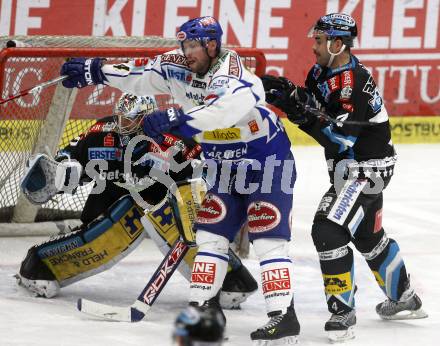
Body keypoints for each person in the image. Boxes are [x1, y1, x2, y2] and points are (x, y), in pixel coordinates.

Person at [60, 16, 300, 345]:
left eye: (192, 46)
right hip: (223, 166)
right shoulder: (177, 65)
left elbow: (223, 113)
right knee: (211, 236)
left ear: (212, 45)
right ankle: (205, 311)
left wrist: (178, 118)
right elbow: (141, 74)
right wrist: (96, 71)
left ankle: (283, 317)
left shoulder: (237, 76)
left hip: (265, 162)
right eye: (183, 45)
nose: (186, 52)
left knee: (268, 238)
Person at [261, 12, 427, 343]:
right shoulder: (321, 71)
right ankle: (405, 298)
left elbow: (340, 138)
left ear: (338, 44)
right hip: (349, 168)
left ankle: (342, 312)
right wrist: (290, 92)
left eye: (320, 41)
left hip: (368, 168)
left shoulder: (356, 83)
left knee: (328, 228)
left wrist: (295, 110)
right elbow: (316, 107)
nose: (314, 47)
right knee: (367, 236)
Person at [16, 92, 258, 310]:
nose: (122, 124)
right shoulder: (103, 130)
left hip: (161, 198)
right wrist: (67, 169)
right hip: (113, 193)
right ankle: (42, 266)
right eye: (120, 117)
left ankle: (230, 280)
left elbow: (200, 173)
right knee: (95, 233)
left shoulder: (173, 136)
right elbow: (71, 153)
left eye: (130, 119)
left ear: (146, 118)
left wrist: (175, 170)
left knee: (190, 231)